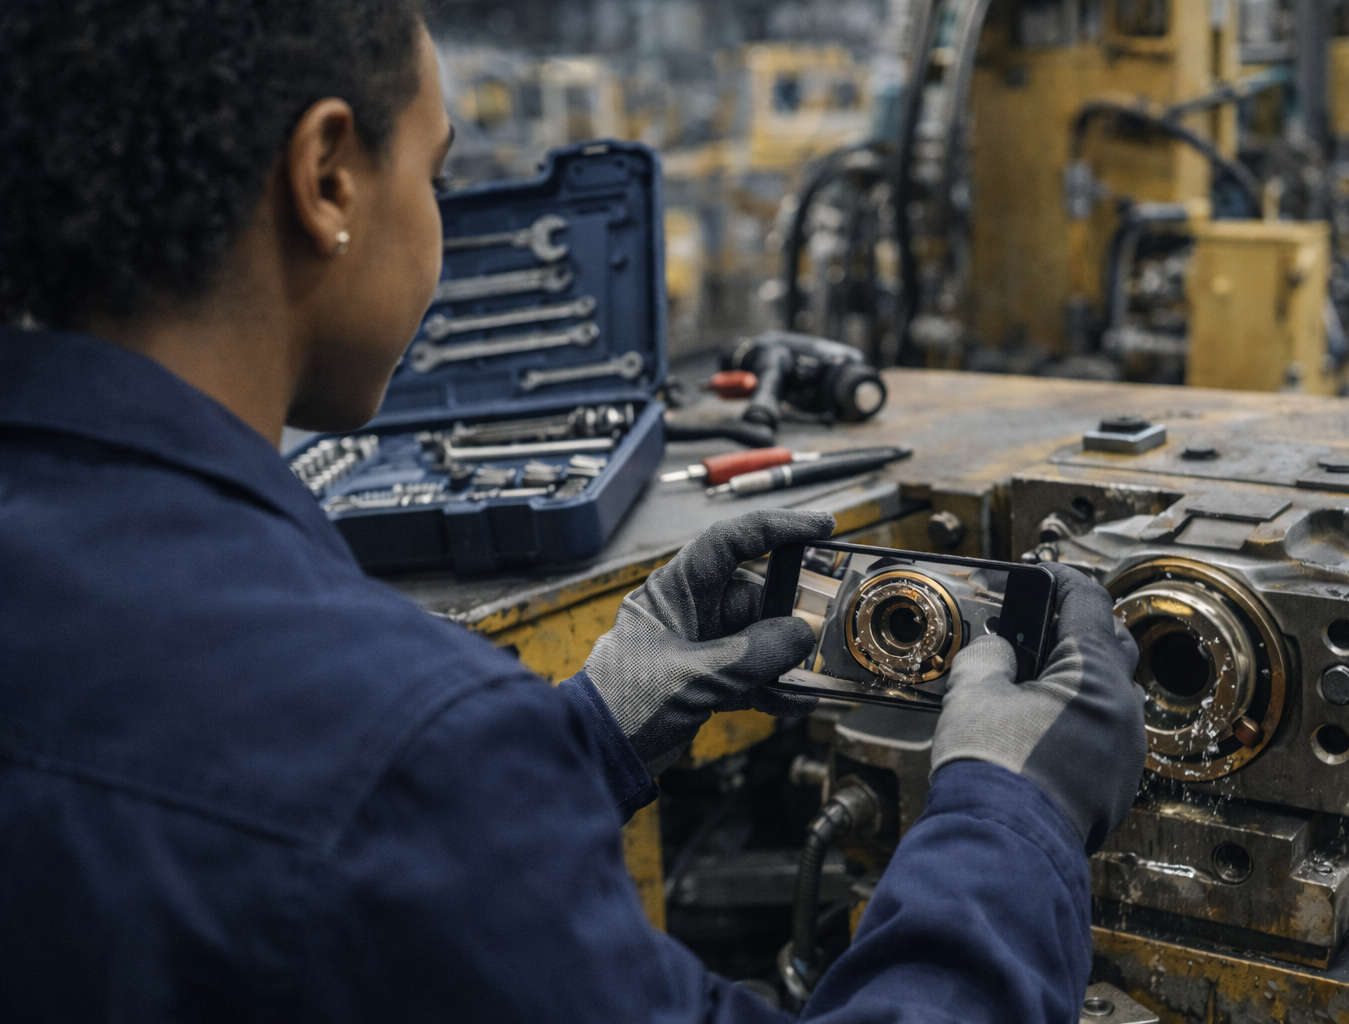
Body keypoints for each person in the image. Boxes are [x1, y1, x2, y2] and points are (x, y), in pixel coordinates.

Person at [0, 2, 1147, 1020]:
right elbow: (347, 809)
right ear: (329, 179)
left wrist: (585, 737)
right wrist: (1014, 817)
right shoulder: (398, 741)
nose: (441, 222)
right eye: (437, 178)